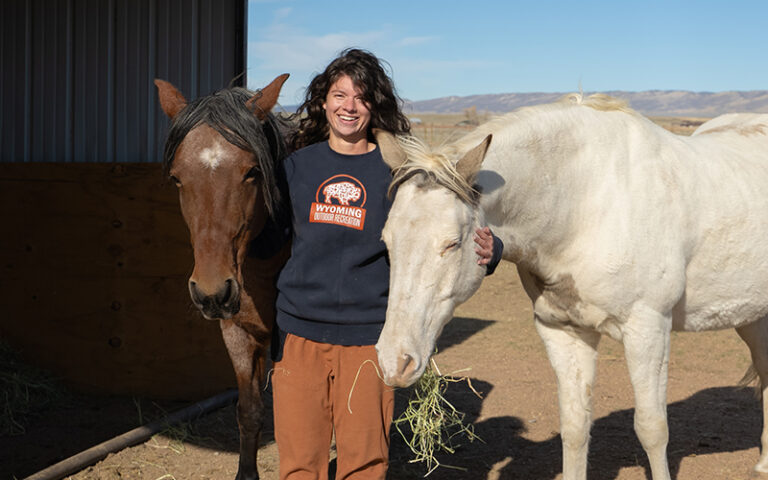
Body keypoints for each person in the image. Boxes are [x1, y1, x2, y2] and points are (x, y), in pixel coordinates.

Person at [271, 48, 502, 480]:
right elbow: (272, 239)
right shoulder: (296, 167)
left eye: (361, 97)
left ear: (374, 106)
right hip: (299, 335)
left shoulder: (399, 173)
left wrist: (494, 250)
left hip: (367, 338)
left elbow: (442, 228)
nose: (349, 106)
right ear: (323, 101)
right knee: (299, 464)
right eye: (339, 95)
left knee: (364, 463)